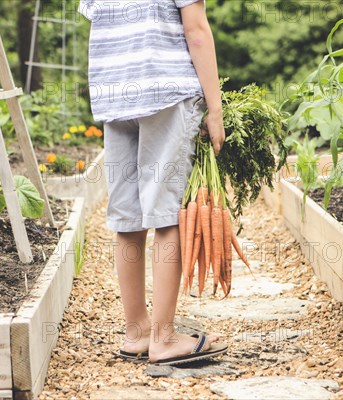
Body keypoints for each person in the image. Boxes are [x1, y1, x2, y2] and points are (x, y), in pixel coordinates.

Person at [78, 0, 228, 365]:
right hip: (165, 91)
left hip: (115, 95)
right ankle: (164, 338)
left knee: (126, 216)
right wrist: (216, 108)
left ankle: (137, 333)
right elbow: (195, 30)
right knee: (166, 214)